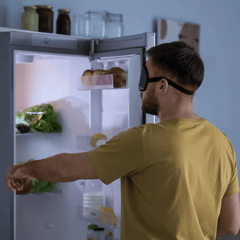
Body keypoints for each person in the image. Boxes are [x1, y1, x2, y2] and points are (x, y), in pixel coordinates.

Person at [5, 41, 240, 239]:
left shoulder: (145, 140)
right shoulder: (222, 142)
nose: (140, 89)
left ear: (162, 85)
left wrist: (26, 169)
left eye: (143, 79)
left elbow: (67, 169)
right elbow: (231, 225)